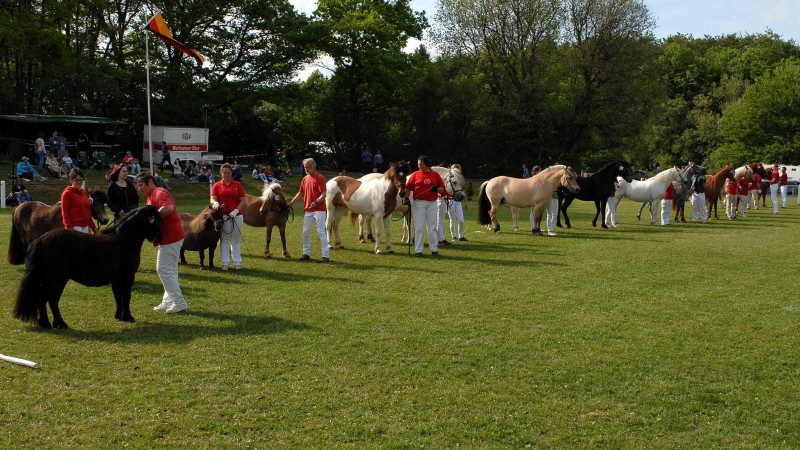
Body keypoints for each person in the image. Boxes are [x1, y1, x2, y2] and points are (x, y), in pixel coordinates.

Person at [135, 173, 188, 313]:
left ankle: (179, 302)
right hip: (170, 238)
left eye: (141, 185)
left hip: (171, 237)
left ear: (150, 182)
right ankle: (168, 301)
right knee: (170, 270)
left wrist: (152, 219)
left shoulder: (159, 192)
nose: (139, 189)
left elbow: (168, 208)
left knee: (163, 270)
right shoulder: (151, 196)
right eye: (137, 186)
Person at [287, 158, 330, 262]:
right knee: (305, 232)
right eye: (305, 167)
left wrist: (316, 202)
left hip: (319, 209)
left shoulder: (320, 178)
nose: (306, 169)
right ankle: (306, 254)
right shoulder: (305, 179)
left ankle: (325, 255)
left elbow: (324, 194)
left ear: (314, 166)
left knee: (320, 232)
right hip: (308, 210)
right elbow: (301, 193)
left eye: (308, 167)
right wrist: (291, 203)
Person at [405, 155, 447, 257]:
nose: (419, 166)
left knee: (432, 227)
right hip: (419, 203)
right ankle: (418, 250)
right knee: (419, 227)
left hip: (432, 203)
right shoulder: (415, 175)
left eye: (421, 164)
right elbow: (408, 188)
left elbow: (442, 188)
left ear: (426, 164)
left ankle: (434, 249)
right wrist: (406, 198)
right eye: (418, 164)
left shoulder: (435, 175)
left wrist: (436, 189)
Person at [211, 163, 247, 270]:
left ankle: (237, 263)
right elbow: (212, 198)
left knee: (235, 240)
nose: (226, 175)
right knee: (224, 240)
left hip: (237, 215)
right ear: (221, 173)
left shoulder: (237, 185)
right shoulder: (217, 185)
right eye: (224, 173)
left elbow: (243, 201)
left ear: (231, 173)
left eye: (228, 173)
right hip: (224, 216)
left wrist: (236, 210)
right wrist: (215, 203)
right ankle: (225, 263)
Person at [61, 168, 97, 234]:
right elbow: (65, 212)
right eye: (76, 180)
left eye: (81, 180)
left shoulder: (84, 193)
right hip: (74, 227)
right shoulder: (67, 193)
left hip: (85, 226)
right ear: (71, 180)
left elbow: (88, 213)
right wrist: (69, 229)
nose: (79, 182)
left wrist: (94, 229)